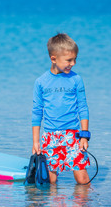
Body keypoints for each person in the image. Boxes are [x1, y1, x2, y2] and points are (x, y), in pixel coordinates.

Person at [31, 33, 91, 185]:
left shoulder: (76, 79)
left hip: (73, 136)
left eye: (75, 59)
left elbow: (83, 107)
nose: (73, 63)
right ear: (53, 59)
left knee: (83, 180)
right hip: (50, 137)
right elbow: (37, 112)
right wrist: (36, 142)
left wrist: (84, 136)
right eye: (69, 60)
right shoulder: (41, 82)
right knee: (51, 181)